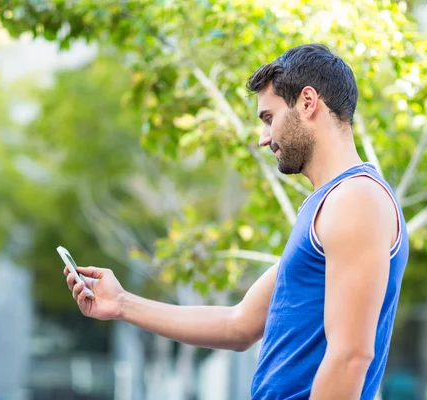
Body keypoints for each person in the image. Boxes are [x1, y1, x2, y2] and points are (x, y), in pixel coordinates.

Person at [65, 43, 409, 399]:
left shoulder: (355, 200)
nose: (264, 138)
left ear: (308, 102)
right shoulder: (329, 204)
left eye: (268, 118)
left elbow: (351, 356)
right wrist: (121, 304)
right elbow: (239, 324)